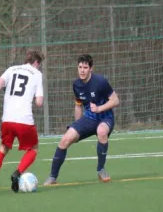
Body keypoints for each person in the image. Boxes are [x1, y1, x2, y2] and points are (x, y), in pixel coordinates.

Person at [43, 54, 120, 185]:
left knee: (102, 132)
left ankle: (101, 169)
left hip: (105, 118)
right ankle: (52, 177)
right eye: (80, 67)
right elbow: (78, 104)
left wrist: (99, 108)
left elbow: (115, 100)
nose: (82, 70)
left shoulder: (100, 81)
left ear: (91, 68)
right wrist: (77, 126)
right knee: (65, 139)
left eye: (85, 67)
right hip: (88, 119)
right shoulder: (76, 85)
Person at [0, 50, 44, 194]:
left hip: (7, 119)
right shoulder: (37, 74)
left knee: (3, 148)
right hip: (24, 120)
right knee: (33, 148)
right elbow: (39, 102)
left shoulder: (11, 69)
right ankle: (18, 173)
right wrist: (36, 98)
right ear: (36, 63)